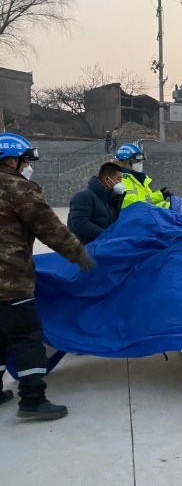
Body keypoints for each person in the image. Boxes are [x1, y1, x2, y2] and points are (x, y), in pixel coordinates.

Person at [0, 132, 95, 420]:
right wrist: (78, 254)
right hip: (10, 280)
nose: (28, 167)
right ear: (13, 160)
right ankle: (32, 398)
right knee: (26, 337)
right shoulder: (18, 188)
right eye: (26, 161)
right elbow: (49, 227)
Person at [67, 162, 125, 244]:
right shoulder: (83, 196)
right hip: (86, 248)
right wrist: (107, 235)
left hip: (105, 245)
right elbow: (80, 223)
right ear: (107, 179)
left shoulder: (112, 198)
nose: (121, 183)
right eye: (118, 179)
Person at [113, 143, 171, 209]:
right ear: (126, 161)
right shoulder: (120, 180)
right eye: (137, 161)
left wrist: (172, 206)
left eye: (141, 161)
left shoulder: (140, 180)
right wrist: (158, 197)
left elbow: (151, 205)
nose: (140, 163)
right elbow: (132, 205)